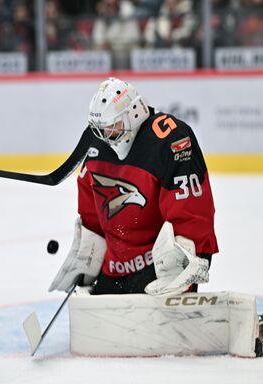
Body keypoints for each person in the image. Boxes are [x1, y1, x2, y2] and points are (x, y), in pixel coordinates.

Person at [49, 77, 219, 297]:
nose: (105, 136)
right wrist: (87, 256)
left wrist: (187, 260)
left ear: (134, 114)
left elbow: (191, 211)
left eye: (112, 127)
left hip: (158, 265)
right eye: (101, 129)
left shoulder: (169, 140)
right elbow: (91, 210)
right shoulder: (97, 145)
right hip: (115, 265)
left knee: (151, 324)